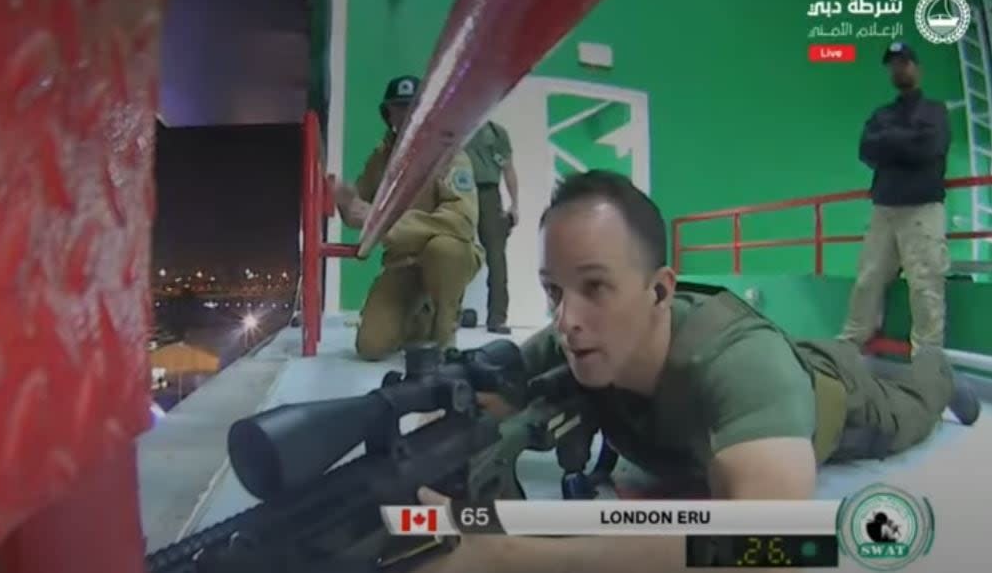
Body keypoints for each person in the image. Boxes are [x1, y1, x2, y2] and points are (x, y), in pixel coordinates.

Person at [412, 170, 980, 573]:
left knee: (914, 403)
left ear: (659, 288)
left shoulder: (743, 368)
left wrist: (509, 555)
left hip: (839, 398)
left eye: (595, 287)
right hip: (745, 383)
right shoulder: (576, 334)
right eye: (552, 290)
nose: (566, 320)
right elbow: (485, 400)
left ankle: (940, 372)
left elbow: (769, 549)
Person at [334, 75, 483, 360]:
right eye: (398, 108)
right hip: (401, 264)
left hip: (446, 256)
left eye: (413, 108)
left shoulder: (448, 153)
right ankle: (419, 318)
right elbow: (361, 210)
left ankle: (444, 328)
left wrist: (387, 224)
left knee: (445, 248)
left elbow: (461, 221)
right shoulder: (380, 159)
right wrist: (346, 202)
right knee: (371, 347)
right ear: (388, 114)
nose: (405, 116)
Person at [839, 42, 951, 354]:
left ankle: (927, 355)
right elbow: (866, 150)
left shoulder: (936, 111)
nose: (898, 69)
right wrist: (908, 140)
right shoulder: (882, 113)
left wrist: (889, 143)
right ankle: (850, 345)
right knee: (867, 280)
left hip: (922, 209)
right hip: (884, 209)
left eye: (904, 62)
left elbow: (929, 147)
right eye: (893, 64)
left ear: (917, 68)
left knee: (925, 284)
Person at [463, 120, 520, 334]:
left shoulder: (496, 132)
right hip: (459, 191)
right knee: (454, 250)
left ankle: (497, 317)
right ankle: (448, 314)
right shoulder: (457, 125)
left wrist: (514, 204)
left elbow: (508, 168)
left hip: (489, 193)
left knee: (496, 257)